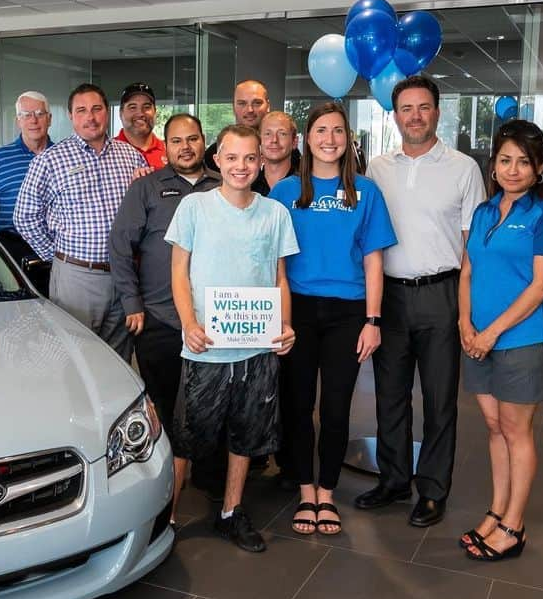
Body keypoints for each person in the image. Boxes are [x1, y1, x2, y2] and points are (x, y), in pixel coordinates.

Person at [355, 75, 486, 528]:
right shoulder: (377, 168)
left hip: (441, 294)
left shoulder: (463, 168)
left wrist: (467, 309)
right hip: (389, 296)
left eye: (424, 107)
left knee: (439, 398)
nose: (415, 116)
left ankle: (432, 489)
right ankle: (393, 480)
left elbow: (473, 245)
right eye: (406, 108)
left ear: (437, 111)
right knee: (390, 397)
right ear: (395, 115)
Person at [165, 124, 298, 552]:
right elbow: (178, 273)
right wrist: (188, 322)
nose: (241, 166)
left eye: (249, 158)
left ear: (260, 163)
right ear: (217, 160)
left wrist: (284, 326)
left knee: (247, 433)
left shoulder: (275, 213)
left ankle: (231, 511)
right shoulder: (194, 208)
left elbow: (279, 278)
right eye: (232, 157)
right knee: (187, 436)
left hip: (256, 348)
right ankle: (164, 516)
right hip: (206, 347)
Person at [269, 102, 397, 536]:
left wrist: (373, 320)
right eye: (321, 131)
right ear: (307, 139)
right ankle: (305, 491)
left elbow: (374, 260)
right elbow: (272, 262)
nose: (329, 139)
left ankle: (327, 492)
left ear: (348, 140)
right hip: (297, 311)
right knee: (298, 405)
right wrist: (275, 317)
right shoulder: (285, 192)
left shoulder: (367, 192)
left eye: (338, 131)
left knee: (338, 405)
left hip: (348, 313)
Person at [459, 120, 543, 561]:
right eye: (505, 160)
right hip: (479, 338)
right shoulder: (484, 212)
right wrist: (465, 324)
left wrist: (490, 333)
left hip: (522, 340)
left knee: (515, 430)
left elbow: (541, 287)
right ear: (493, 166)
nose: (513, 170)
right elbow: (467, 273)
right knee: (492, 428)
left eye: (524, 162)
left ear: (540, 168)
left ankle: (513, 525)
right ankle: (496, 510)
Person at [110, 113, 220, 522]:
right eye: (176, 141)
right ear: (166, 146)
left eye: (192, 139)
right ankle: (160, 485)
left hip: (213, 321)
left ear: (203, 141)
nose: (185, 147)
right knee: (161, 403)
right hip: (159, 318)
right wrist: (132, 304)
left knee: (210, 406)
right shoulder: (146, 188)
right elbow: (120, 248)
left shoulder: (222, 184)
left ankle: (209, 478)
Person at [14, 83, 146, 359]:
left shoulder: (131, 156)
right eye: (82, 110)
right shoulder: (51, 160)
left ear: (106, 113)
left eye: (97, 109)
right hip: (76, 278)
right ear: (71, 116)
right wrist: (58, 255)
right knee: (74, 358)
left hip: (123, 276)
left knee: (118, 360)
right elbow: (24, 216)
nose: (91, 117)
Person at [0, 91, 54, 265]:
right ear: (18, 121)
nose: (33, 120)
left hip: (57, 249)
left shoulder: (64, 158)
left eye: (40, 114)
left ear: (49, 119)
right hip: (11, 250)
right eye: (26, 115)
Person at [202, 80, 271, 170]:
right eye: (242, 103)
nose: (250, 110)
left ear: (268, 106)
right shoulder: (215, 151)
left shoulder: (283, 150)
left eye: (257, 103)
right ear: (233, 107)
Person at [115, 82, 167, 169]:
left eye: (146, 107)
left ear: (155, 112)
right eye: (132, 107)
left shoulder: (169, 151)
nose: (140, 113)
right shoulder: (108, 153)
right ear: (121, 113)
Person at [254, 111, 300, 196]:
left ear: (294, 142)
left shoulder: (306, 184)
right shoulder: (248, 185)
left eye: (282, 134)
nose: (274, 140)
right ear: (259, 141)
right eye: (268, 134)